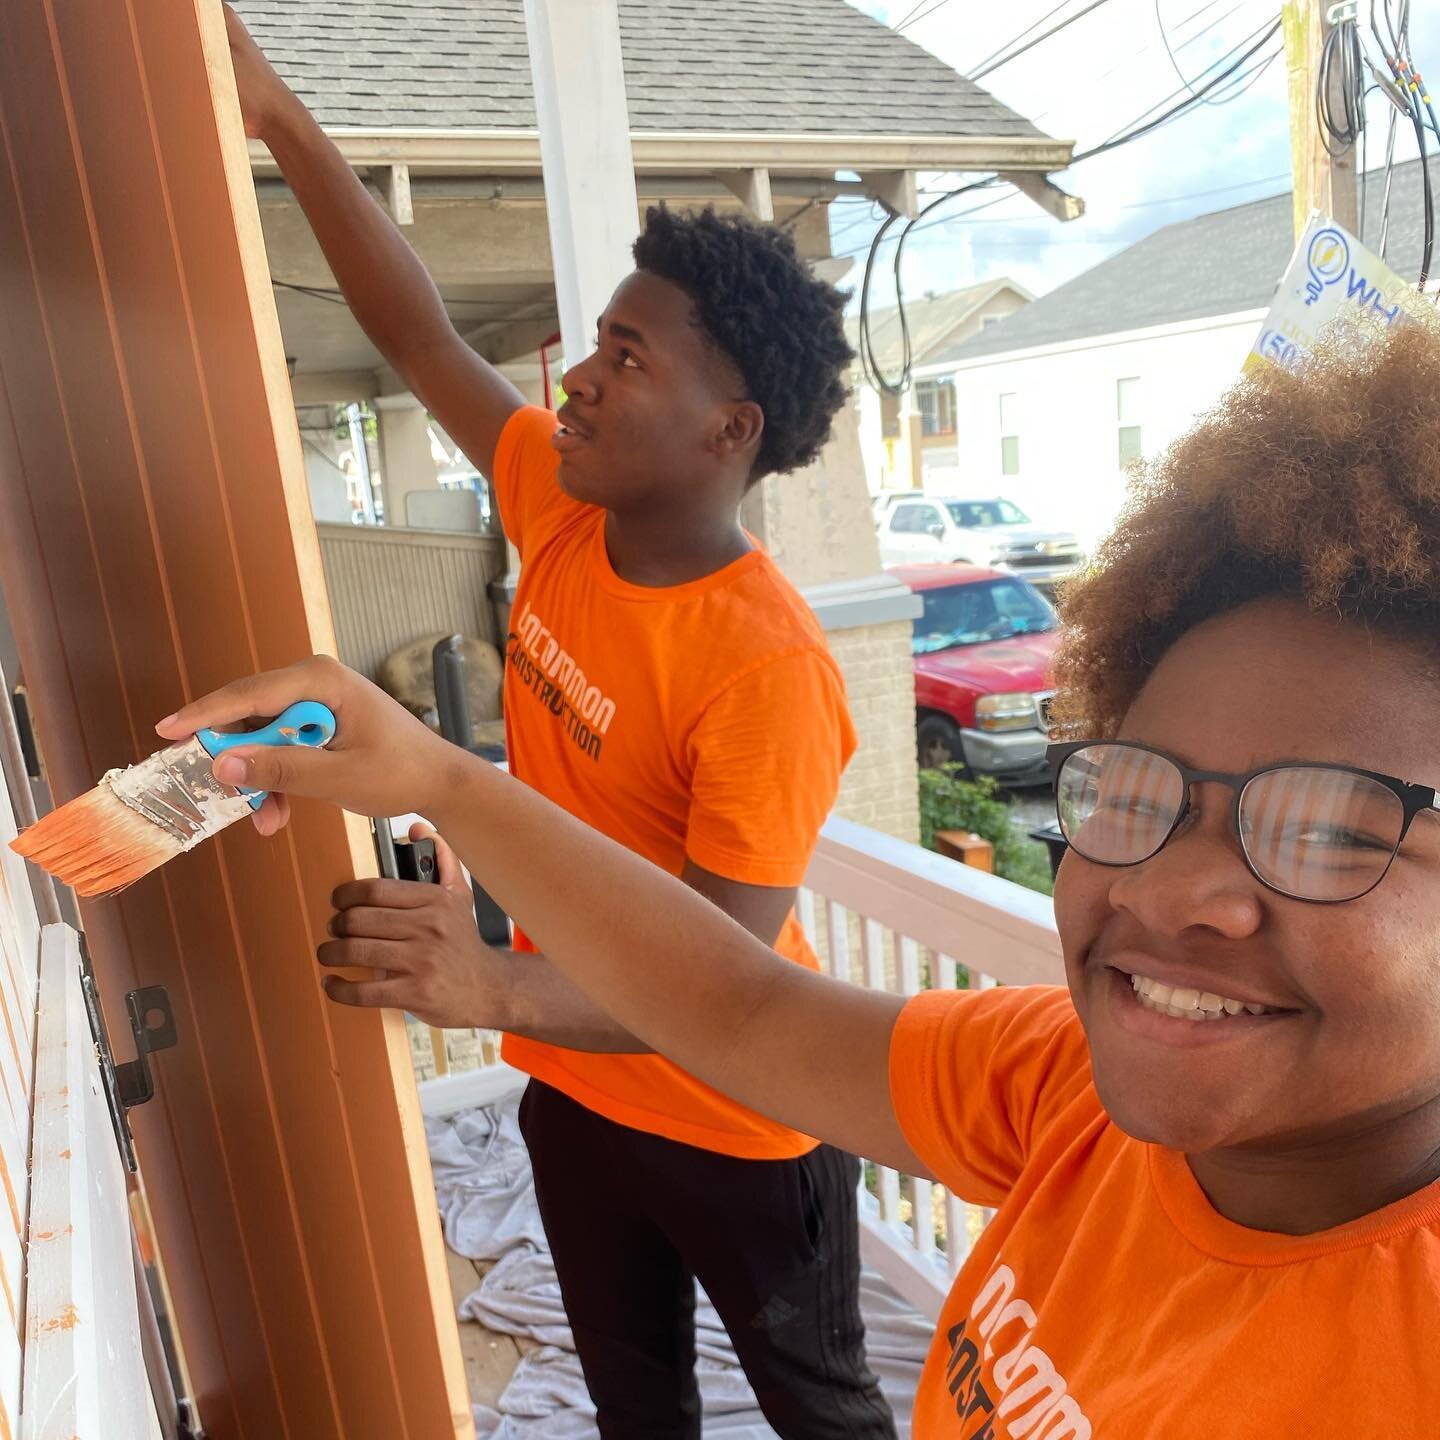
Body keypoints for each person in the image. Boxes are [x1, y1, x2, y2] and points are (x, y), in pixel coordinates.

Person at [163, 315, 1440, 1435]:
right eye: (1137, 793)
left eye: (1333, 829)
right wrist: (439, 780)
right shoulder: (1072, 1096)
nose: (1166, 893)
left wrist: (490, 968)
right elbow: (745, 1008)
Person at [222, 10, 897, 1437]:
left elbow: (721, 981)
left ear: (731, 431)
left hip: (739, 1122)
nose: (576, 375)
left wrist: (493, 986)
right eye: (596, 341)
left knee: (821, 1415)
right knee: (629, 1404)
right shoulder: (555, 505)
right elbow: (408, 328)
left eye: (629, 358)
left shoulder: (765, 668)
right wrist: (277, 115)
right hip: (581, 1097)